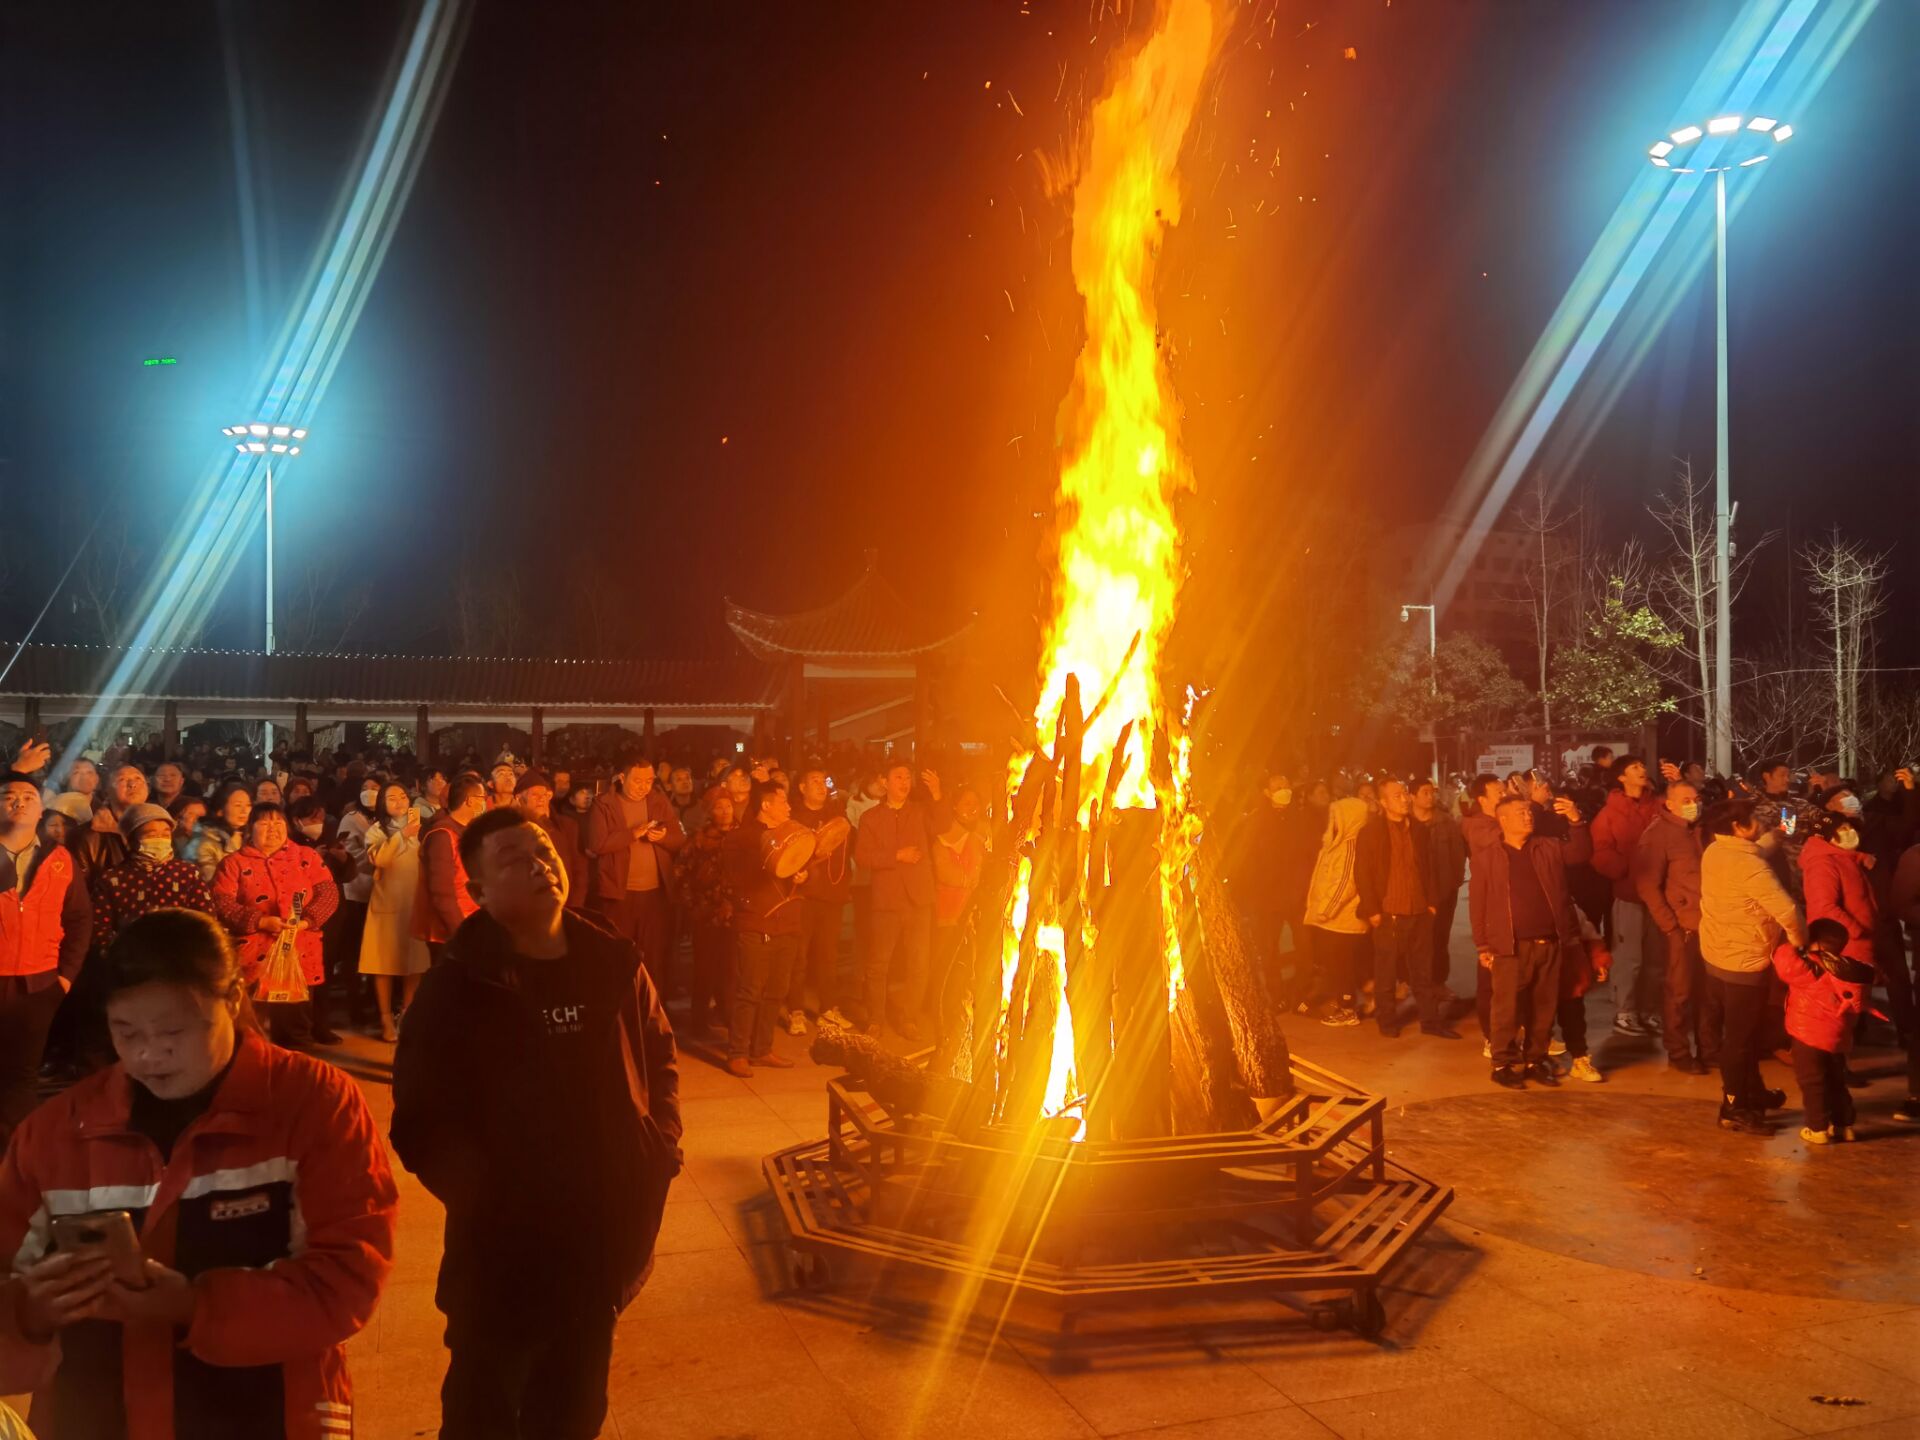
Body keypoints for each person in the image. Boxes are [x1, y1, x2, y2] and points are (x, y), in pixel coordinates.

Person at [0, 908, 397, 1438]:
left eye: (174, 1031)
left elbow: (347, 1279)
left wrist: (193, 1305)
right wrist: (31, 1313)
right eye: (126, 1031)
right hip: (92, 1414)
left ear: (232, 1000)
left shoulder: (312, 1105)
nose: (150, 1054)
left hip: (268, 1414)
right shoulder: (56, 1133)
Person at [391, 808, 681, 1440]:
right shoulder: (457, 988)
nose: (539, 866)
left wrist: (661, 1146)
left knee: (575, 1406)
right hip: (501, 1253)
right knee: (484, 1407)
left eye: (544, 850)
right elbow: (418, 1121)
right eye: (514, 860)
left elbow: (659, 1056)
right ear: (480, 890)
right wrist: (490, 1199)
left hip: (598, 1235)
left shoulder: (611, 959)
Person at [1470, 793, 1590, 1089]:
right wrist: (1483, 945)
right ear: (1503, 820)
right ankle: (1503, 1062)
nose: (1528, 817)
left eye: (1529, 812)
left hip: (1549, 942)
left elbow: (1580, 853)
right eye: (1521, 813)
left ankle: (1535, 1059)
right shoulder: (1488, 857)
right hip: (1508, 946)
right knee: (1506, 1007)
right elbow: (1478, 903)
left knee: (1544, 1006)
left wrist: (1576, 821)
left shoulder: (1547, 848)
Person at [1700, 799, 1803, 1136]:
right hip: (1744, 963)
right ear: (1737, 828)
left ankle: (1752, 1091)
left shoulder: (1716, 851)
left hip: (1718, 955)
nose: (1758, 822)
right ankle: (1733, 1106)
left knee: (1744, 1035)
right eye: (1754, 819)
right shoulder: (1748, 867)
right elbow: (1787, 911)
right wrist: (1801, 943)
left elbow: (1754, 851)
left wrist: (1778, 833)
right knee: (1740, 1040)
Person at [0, 774, 91, 1149]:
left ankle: (14, 1160)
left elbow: (79, 919)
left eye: (28, 797)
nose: (18, 802)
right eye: (8, 796)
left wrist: (65, 977)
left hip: (38, 983)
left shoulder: (59, 858)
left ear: (41, 809)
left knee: (22, 1076)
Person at [210, 803, 340, 1049]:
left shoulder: (306, 856)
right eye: (265, 822)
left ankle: (294, 1079)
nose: (273, 828)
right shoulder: (233, 863)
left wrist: (307, 920)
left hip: (300, 953)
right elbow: (220, 901)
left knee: (296, 1029)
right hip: (253, 958)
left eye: (279, 822)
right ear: (250, 829)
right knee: (250, 1029)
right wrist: (259, 921)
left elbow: (328, 893)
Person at [1355, 778, 1453, 1039]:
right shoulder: (1371, 832)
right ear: (1384, 802)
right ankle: (1387, 1022)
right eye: (1396, 796)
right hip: (1389, 913)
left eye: (1404, 795)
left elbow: (1429, 868)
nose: (1404, 799)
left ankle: (1430, 1022)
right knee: (1386, 971)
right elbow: (1362, 874)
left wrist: (1432, 904)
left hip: (1420, 911)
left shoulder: (1419, 830)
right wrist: (1373, 910)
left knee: (1423, 971)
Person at [1634, 780, 1719, 1075]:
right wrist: (1669, 925)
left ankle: (1709, 1050)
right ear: (1668, 803)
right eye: (1685, 799)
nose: (1692, 804)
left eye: (1695, 798)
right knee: (1678, 992)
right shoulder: (1657, 835)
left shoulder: (1701, 830)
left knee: (1708, 993)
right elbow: (1647, 885)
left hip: (1708, 925)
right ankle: (1679, 1052)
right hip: (1679, 928)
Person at [583, 757, 685, 997]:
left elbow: (679, 838)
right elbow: (597, 844)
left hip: (655, 894)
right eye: (638, 781)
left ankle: (654, 1009)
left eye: (649, 781)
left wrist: (662, 837)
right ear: (622, 778)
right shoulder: (604, 804)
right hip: (620, 894)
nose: (644, 786)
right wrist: (632, 834)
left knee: (654, 957)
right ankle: (619, 1006)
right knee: (620, 954)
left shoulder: (658, 801)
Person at [855, 762, 941, 1042]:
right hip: (887, 901)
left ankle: (909, 1018)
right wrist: (896, 856)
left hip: (919, 899)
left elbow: (942, 827)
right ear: (884, 782)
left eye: (908, 777)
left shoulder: (919, 811)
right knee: (879, 964)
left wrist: (937, 794)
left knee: (919, 964)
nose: (905, 782)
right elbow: (863, 858)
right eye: (898, 777)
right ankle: (876, 1019)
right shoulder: (871, 817)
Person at [723, 781, 804, 1077]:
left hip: (788, 922)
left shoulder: (794, 834)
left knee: (777, 991)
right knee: (750, 989)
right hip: (755, 922)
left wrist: (805, 872)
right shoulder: (742, 838)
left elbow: (811, 866)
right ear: (766, 805)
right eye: (783, 802)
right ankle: (738, 1053)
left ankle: (762, 1049)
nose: (789, 807)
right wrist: (771, 860)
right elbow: (737, 877)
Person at [1772, 917, 1871, 1146]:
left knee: (1812, 1082)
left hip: (1807, 1036)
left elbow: (1784, 960)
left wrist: (1794, 941)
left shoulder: (1811, 968)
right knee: (1836, 1081)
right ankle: (1844, 1125)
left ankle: (1817, 1128)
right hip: (1836, 1038)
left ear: (1813, 941)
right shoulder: (1845, 971)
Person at [1590, 755, 1663, 1038]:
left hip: (1658, 896)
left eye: (1642, 766)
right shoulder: (1609, 814)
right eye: (1635, 767)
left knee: (1656, 958)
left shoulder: (1657, 806)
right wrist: (1625, 870)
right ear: (1621, 777)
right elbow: (1601, 853)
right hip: (1629, 895)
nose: (1642, 770)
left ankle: (1650, 1010)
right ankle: (1626, 1012)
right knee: (1629, 957)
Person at [1233, 772, 1318, 1009]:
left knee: (1305, 949)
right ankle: (1276, 995)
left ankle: (1300, 994)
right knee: (1269, 950)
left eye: (1286, 784)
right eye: (1278, 786)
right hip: (1267, 898)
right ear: (1267, 793)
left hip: (1298, 895)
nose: (1284, 789)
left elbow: (1311, 854)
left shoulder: (1301, 819)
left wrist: (1306, 887)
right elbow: (1248, 862)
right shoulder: (1255, 822)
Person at [360, 781, 431, 1042]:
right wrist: (403, 836)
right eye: (392, 798)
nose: (400, 802)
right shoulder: (377, 830)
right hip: (386, 904)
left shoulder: (423, 829)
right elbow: (381, 859)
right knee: (383, 963)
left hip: (415, 902)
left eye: (403, 796)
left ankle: (407, 1013)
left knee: (415, 963)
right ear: (382, 804)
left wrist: (415, 833)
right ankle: (385, 1017)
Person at [785, 766, 852, 1033]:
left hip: (831, 897)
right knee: (799, 957)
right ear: (801, 788)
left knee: (828, 956)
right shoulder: (794, 818)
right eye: (814, 782)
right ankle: (796, 1011)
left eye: (823, 782)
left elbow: (848, 852)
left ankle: (827, 1009)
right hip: (804, 897)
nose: (820, 786)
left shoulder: (836, 816)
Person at [1302, 797, 1370, 1027]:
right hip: (1334, 920)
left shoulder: (1350, 846)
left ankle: (1348, 1009)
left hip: (1343, 919)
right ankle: (1350, 1000)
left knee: (1343, 966)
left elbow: (1344, 884)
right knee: (1337, 965)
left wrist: (1325, 909)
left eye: (1337, 816)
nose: (1333, 821)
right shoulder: (1337, 844)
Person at [678, 792, 738, 1037]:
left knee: (732, 970)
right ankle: (698, 1020)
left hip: (736, 915)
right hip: (705, 914)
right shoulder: (699, 839)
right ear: (711, 811)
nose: (725, 811)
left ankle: (728, 1015)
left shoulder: (742, 836)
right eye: (719, 807)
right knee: (704, 969)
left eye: (728, 806)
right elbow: (681, 873)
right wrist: (692, 906)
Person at [413, 774, 488, 968]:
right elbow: (442, 892)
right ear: (470, 801)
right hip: (449, 928)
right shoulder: (443, 835)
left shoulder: (466, 830)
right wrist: (459, 932)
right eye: (482, 799)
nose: (485, 804)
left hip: (471, 921)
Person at [929, 788, 985, 1044]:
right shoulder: (946, 837)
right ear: (955, 807)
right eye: (966, 803)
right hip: (950, 911)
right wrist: (967, 881)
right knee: (946, 966)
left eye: (975, 803)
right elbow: (945, 873)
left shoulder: (982, 834)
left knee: (967, 967)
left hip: (973, 911)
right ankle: (941, 1021)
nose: (971, 807)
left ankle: (961, 1017)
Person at [1412, 778, 1468, 1008]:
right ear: (1412, 796)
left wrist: (1453, 883)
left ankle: (1438, 982)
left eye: (1431, 792)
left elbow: (1458, 855)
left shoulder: (1445, 823)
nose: (1430, 797)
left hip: (1444, 892)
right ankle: (1413, 983)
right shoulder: (1404, 823)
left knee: (1439, 940)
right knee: (1415, 942)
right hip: (1415, 893)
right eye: (1424, 792)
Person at [515, 770, 586, 911]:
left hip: (567, 904)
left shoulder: (567, 826)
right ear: (519, 798)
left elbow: (580, 869)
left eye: (545, 794)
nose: (541, 799)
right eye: (534, 794)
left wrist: (575, 905)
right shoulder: (514, 830)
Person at [71, 764, 149, 885]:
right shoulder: (86, 836)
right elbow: (80, 888)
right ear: (107, 792)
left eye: (138, 779)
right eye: (122, 780)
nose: (132, 784)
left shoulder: (161, 827)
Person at [188, 783, 251, 884]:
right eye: (237, 805)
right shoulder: (205, 843)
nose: (244, 811)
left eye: (248, 805)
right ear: (220, 810)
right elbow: (213, 882)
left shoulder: (250, 837)